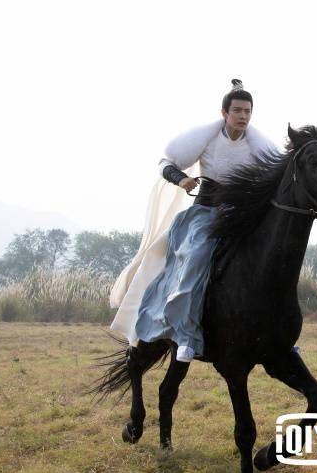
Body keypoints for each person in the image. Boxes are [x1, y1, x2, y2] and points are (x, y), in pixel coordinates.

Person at [108, 79, 279, 362]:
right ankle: (186, 337)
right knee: (197, 258)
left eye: (248, 111)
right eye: (238, 110)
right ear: (224, 113)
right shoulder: (207, 140)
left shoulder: (256, 147)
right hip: (205, 214)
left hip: (240, 216)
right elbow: (166, 162)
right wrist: (182, 179)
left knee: (271, 259)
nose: (243, 116)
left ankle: (276, 336)